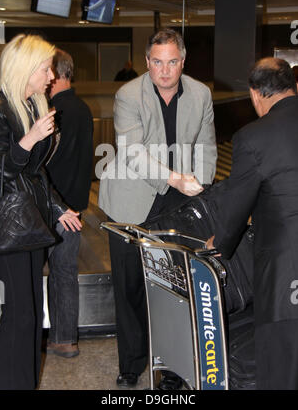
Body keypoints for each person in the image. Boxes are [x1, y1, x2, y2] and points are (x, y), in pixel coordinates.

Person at [99, 28, 217, 388]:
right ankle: (131, 365)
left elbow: (208, 146)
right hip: (130, 200)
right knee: (131, 285)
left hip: (178, 202)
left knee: (173, 287)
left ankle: (172, 367)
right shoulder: (128, 94)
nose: (164, 71)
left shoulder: (200, 94)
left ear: (183, 61)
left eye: (172, 62)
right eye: (156, 62)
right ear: (148, 61)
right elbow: (133, 153)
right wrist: (176, 179)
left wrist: (201, 183)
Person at [206, 57, 298, 390]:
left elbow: (235, 205)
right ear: (296, 87)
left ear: (256, 95)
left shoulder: (253, 137)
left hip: (287, 273)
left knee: (282, 365)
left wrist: (220, 243)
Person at [0, 34, 82, 390]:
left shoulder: (31, 104)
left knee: (31, 314)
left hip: (31, 222)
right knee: (20, 315)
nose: (51, 76)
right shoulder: (2, 108)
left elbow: (34, 171)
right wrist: (29, 139)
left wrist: (56, 205)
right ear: (25, 68)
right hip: (9, 225)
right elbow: (4, 168)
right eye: (45, 68)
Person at [45, 48, 93, 358]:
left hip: (50, 208)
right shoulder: (83, 109)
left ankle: (45, 336)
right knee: (65, 274)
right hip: (74, 207)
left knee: (43, 272)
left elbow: (44, 163)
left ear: (58, 74)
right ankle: (65, 339)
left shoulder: (50, 112)